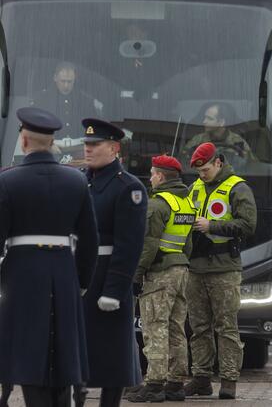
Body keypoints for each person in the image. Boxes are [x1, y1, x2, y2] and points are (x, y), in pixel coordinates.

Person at [0, 108, 99, 407]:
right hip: (63, 271)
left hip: (22, 275)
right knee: (63, 352)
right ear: (52, 142)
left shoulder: (8, 181)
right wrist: (80, 281)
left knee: (29, 351)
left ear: (25, 142)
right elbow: (90, 240)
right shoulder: (76, 181)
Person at [81, 118, 148, 407]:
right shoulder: (80, 181)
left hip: (109, 280)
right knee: (78, 353)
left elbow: (128, 245)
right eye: (86, 144)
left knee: (112, 357)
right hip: (81, 277)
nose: (88, 149)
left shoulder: (127, 188)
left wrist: (114, 289)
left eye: (95, 145)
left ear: (114, 148)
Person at [184, 142, 257, 400]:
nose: (202, 175)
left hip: (224, 268)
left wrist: (212, 226)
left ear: (218, 162)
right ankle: (201, 378)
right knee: (198, 326)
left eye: (205, 170)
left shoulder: (237, 188)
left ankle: (229, 381)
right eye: (199, 171)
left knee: (226, 327)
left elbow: (248, 224)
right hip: (196, 267)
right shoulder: (194, 188)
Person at [127, 156, 195, 402]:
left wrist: (137, 274)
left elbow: (149, 244)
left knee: (155, 326)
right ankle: (175, 384)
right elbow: (188, 243)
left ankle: (154, 384)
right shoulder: (185, 203)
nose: (151, 178)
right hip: (181, 270)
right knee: (177, 329)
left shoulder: (157, 204)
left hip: (160, 273)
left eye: (153, 173)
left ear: (162, 176)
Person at [30, 62, 102, 137]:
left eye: (69, 81)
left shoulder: (86, 101)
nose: (66, 85)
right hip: (49, 146)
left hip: (79, 146)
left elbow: (92, 126)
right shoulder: (41, 100)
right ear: (55, 78)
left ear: (75, 79)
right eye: (63, 81)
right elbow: (34, 128)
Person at [182, 103, 256, 167]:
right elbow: (183, 159)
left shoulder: (238, 141)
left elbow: (251, 165)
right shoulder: (198, 140)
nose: (204, 121)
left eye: (209, 118)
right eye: (205, 117)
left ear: (221, 122)